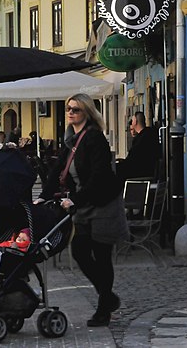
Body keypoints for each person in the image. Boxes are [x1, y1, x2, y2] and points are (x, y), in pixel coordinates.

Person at [35, 93, 127, 327]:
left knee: (102, 255)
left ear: (87, 112)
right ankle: (109, 297)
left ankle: (103, 309)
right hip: (84, 204)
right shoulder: (71, 139)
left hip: (104, 203)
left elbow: (99, 176)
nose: (70, 113)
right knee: (80, 252)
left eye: (75, 109)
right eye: (68, 109)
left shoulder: (94, 138)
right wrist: (43, 197)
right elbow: (57, 170)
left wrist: (75, 199)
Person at [117, 111, 161, 180]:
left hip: (141, 173)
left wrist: (121, 164)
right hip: (147, 170)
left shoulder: (141, 139)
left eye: (132, 121)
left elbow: (133, 160)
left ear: (135, 122)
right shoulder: (150, 134)